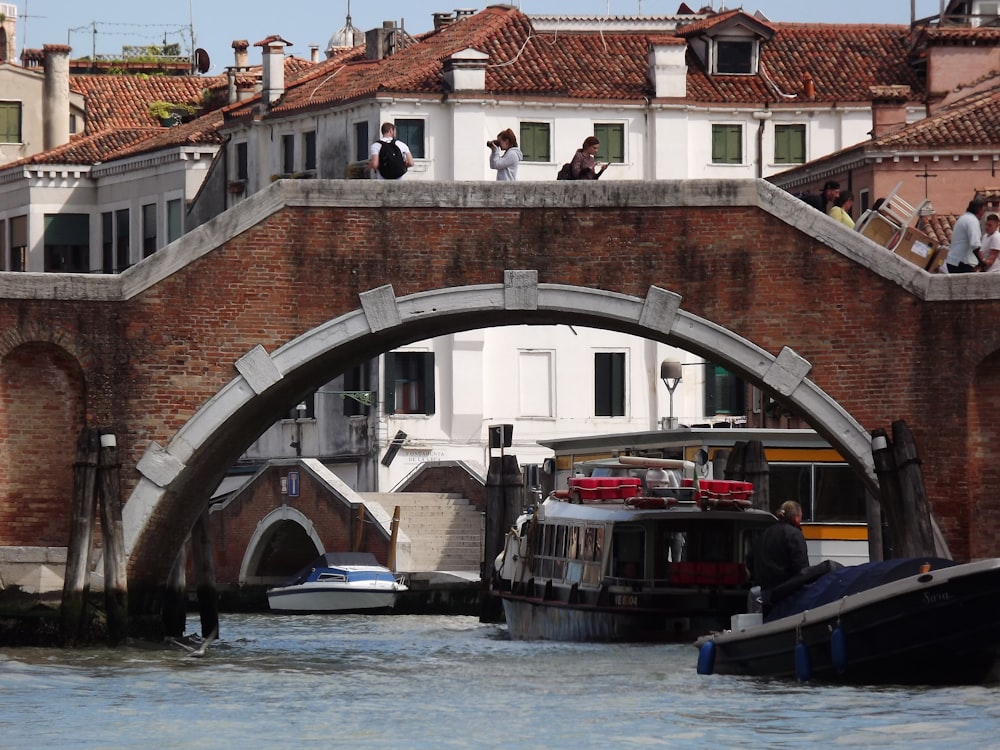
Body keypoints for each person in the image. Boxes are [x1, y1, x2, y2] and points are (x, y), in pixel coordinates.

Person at [750, 500, 809, 593]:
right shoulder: (794, 534)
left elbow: (750, 559)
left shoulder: (764, 533)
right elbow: (802, 567)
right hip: (785, 592)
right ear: (796, 517)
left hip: (763, 591)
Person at [946, 196, 988, 273]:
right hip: (962, 262)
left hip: (953, 261)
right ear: (979, 210)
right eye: (983, 210)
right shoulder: (972, 221)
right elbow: (975, 244)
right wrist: (983, 261)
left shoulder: (963, 218)